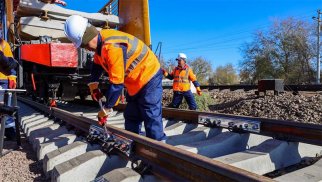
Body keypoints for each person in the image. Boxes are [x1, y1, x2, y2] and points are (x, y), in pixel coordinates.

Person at [64, 15, 166, 141]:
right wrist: (93, 85)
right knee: (132, 114)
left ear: (88, 36)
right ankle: (132, 142)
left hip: (149, 75)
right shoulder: (101, 43)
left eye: (84, 44)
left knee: (150, 113)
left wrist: (106, 108)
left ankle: (159, 147)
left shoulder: (112, 47)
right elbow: (96, 65)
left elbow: (117, 84)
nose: (86, 48)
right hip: (135, 81)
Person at [0, 29, 18, 140]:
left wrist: (12, 78)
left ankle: (9, 130)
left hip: (3, 80)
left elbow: (11, 63)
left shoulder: (3, 44)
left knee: (6, 105)